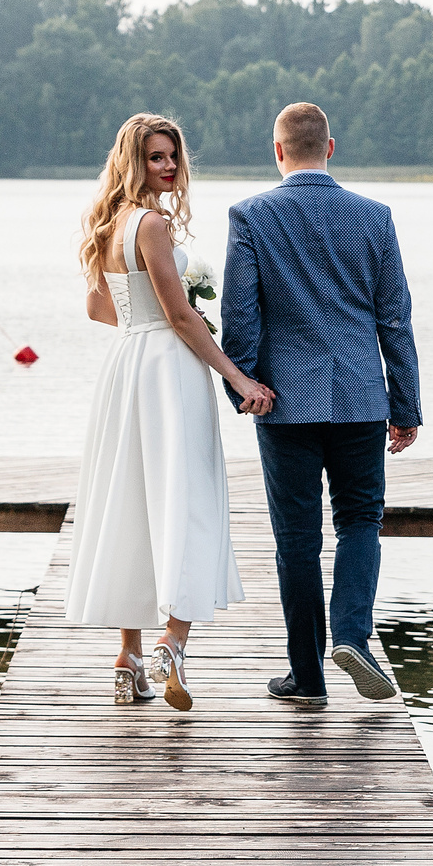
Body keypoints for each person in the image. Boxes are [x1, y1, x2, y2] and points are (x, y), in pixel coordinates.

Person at [220, 102, 422, 709]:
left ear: (278, 150)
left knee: (297, 540)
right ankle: (353, 634)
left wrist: (244, 388)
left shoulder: (252, 215)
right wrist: (406, 405)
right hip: (361, 397)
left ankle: (307, 679)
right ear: (330, 147)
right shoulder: (374, 216)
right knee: (360, 521)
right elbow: (395, 318)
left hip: (284, 402)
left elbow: (240, 314)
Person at [67, 112, 271, 711]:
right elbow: (180, 317)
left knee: (131, 501)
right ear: (134, 161)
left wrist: (146, 323)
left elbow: (98, 309)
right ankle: (171, 643)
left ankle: (127, 659)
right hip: (168, 370)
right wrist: (237, 375)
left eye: (173, 156)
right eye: (156, 157)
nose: (169, 166)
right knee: (186, 497)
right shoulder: (152, 224)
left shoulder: (106, 224)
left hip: (126, 366)